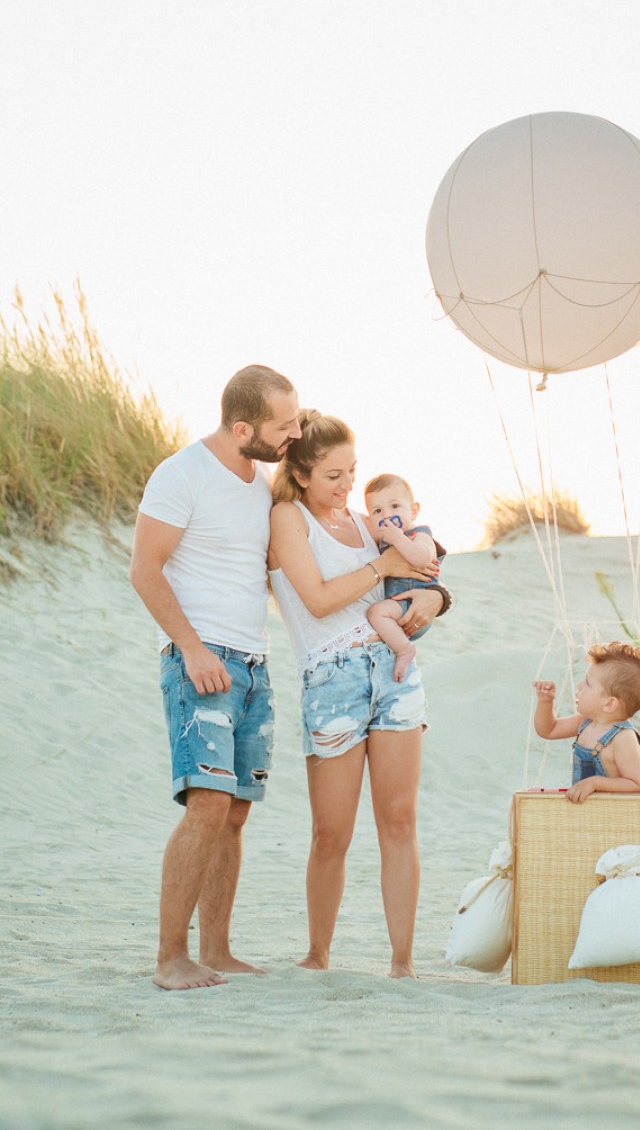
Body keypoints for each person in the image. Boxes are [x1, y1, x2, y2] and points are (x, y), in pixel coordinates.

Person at [130, 364, 303, 991]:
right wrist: (193, 649)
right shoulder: (182, 475)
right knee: (204, 805)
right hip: (199, 663)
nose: (296, 433)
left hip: (254, 665)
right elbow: (145, 569)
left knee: (233, 814)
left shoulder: (261, 483)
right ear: (242, 427)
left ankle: (218, 949)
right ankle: (169, 957)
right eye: (285, 425)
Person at [267, 411, 450, 978]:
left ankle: (402, 962)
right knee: (332, 832)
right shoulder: (287, 518)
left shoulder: (364, 520)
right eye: (332, 475)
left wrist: (437, 599)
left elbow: (422, 567)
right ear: (300, 475)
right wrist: (383, 566)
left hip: (393, 675)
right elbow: (319, 601)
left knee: (399, 821)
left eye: (352, 471)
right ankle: (317, 954)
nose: (348, 486)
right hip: (332, 678)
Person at [532, 640, 640, 803]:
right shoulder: (585, 722)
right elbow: (548, 730)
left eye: (587, 683)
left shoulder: (623, 738)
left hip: (614, 815)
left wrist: (594, 783)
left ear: (609, 704)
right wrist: (545, 702)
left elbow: (636, 784)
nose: (579, 686)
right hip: (587, 812)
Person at [363, 473, 444, 682]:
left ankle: (405, 650)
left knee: (376, 613)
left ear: (414, 510)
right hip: (399, 607)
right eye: (378, 511)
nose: (387, 515)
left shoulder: (420, 535)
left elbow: (422, 557)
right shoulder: (383, 541)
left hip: (414, 606)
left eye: (395, 506)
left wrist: (399, 539)